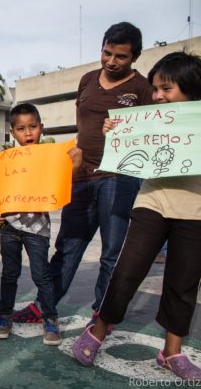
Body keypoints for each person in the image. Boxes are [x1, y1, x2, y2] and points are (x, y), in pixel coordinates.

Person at [12, 22, 153, 327]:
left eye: (120, 57)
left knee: (111, 253)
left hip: (118, 177)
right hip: (80, 176)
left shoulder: (142, 88)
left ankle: (102, 315)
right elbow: (82, 126)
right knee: (68, 245)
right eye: (106, 53)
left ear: (135, 57)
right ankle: (44, 305)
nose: (111, 61)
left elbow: (152, 132)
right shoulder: (88, 80)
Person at [72, 51, 201, 380]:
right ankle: (98, 331)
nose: (157, 95)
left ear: (190, 89)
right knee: (127, 270)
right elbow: (126, 155)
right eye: (156, 88)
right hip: (152, 201)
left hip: (194, 209)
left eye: (166, 89)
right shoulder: (146, 118)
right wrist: (116, 133)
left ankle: (171, 352)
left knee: (184, 281)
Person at [0, 104, 82, 346]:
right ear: (12, 132)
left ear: (41, 128)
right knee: (9, 274)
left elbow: (65, 185)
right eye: (21, 128)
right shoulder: (7, 159)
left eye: (32, 127)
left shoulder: (51, 157)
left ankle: (49, 318)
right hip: (8, 226)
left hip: (38, 229)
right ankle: (4, 316)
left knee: (42, 275)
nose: (27, 133)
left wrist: (76, 167)